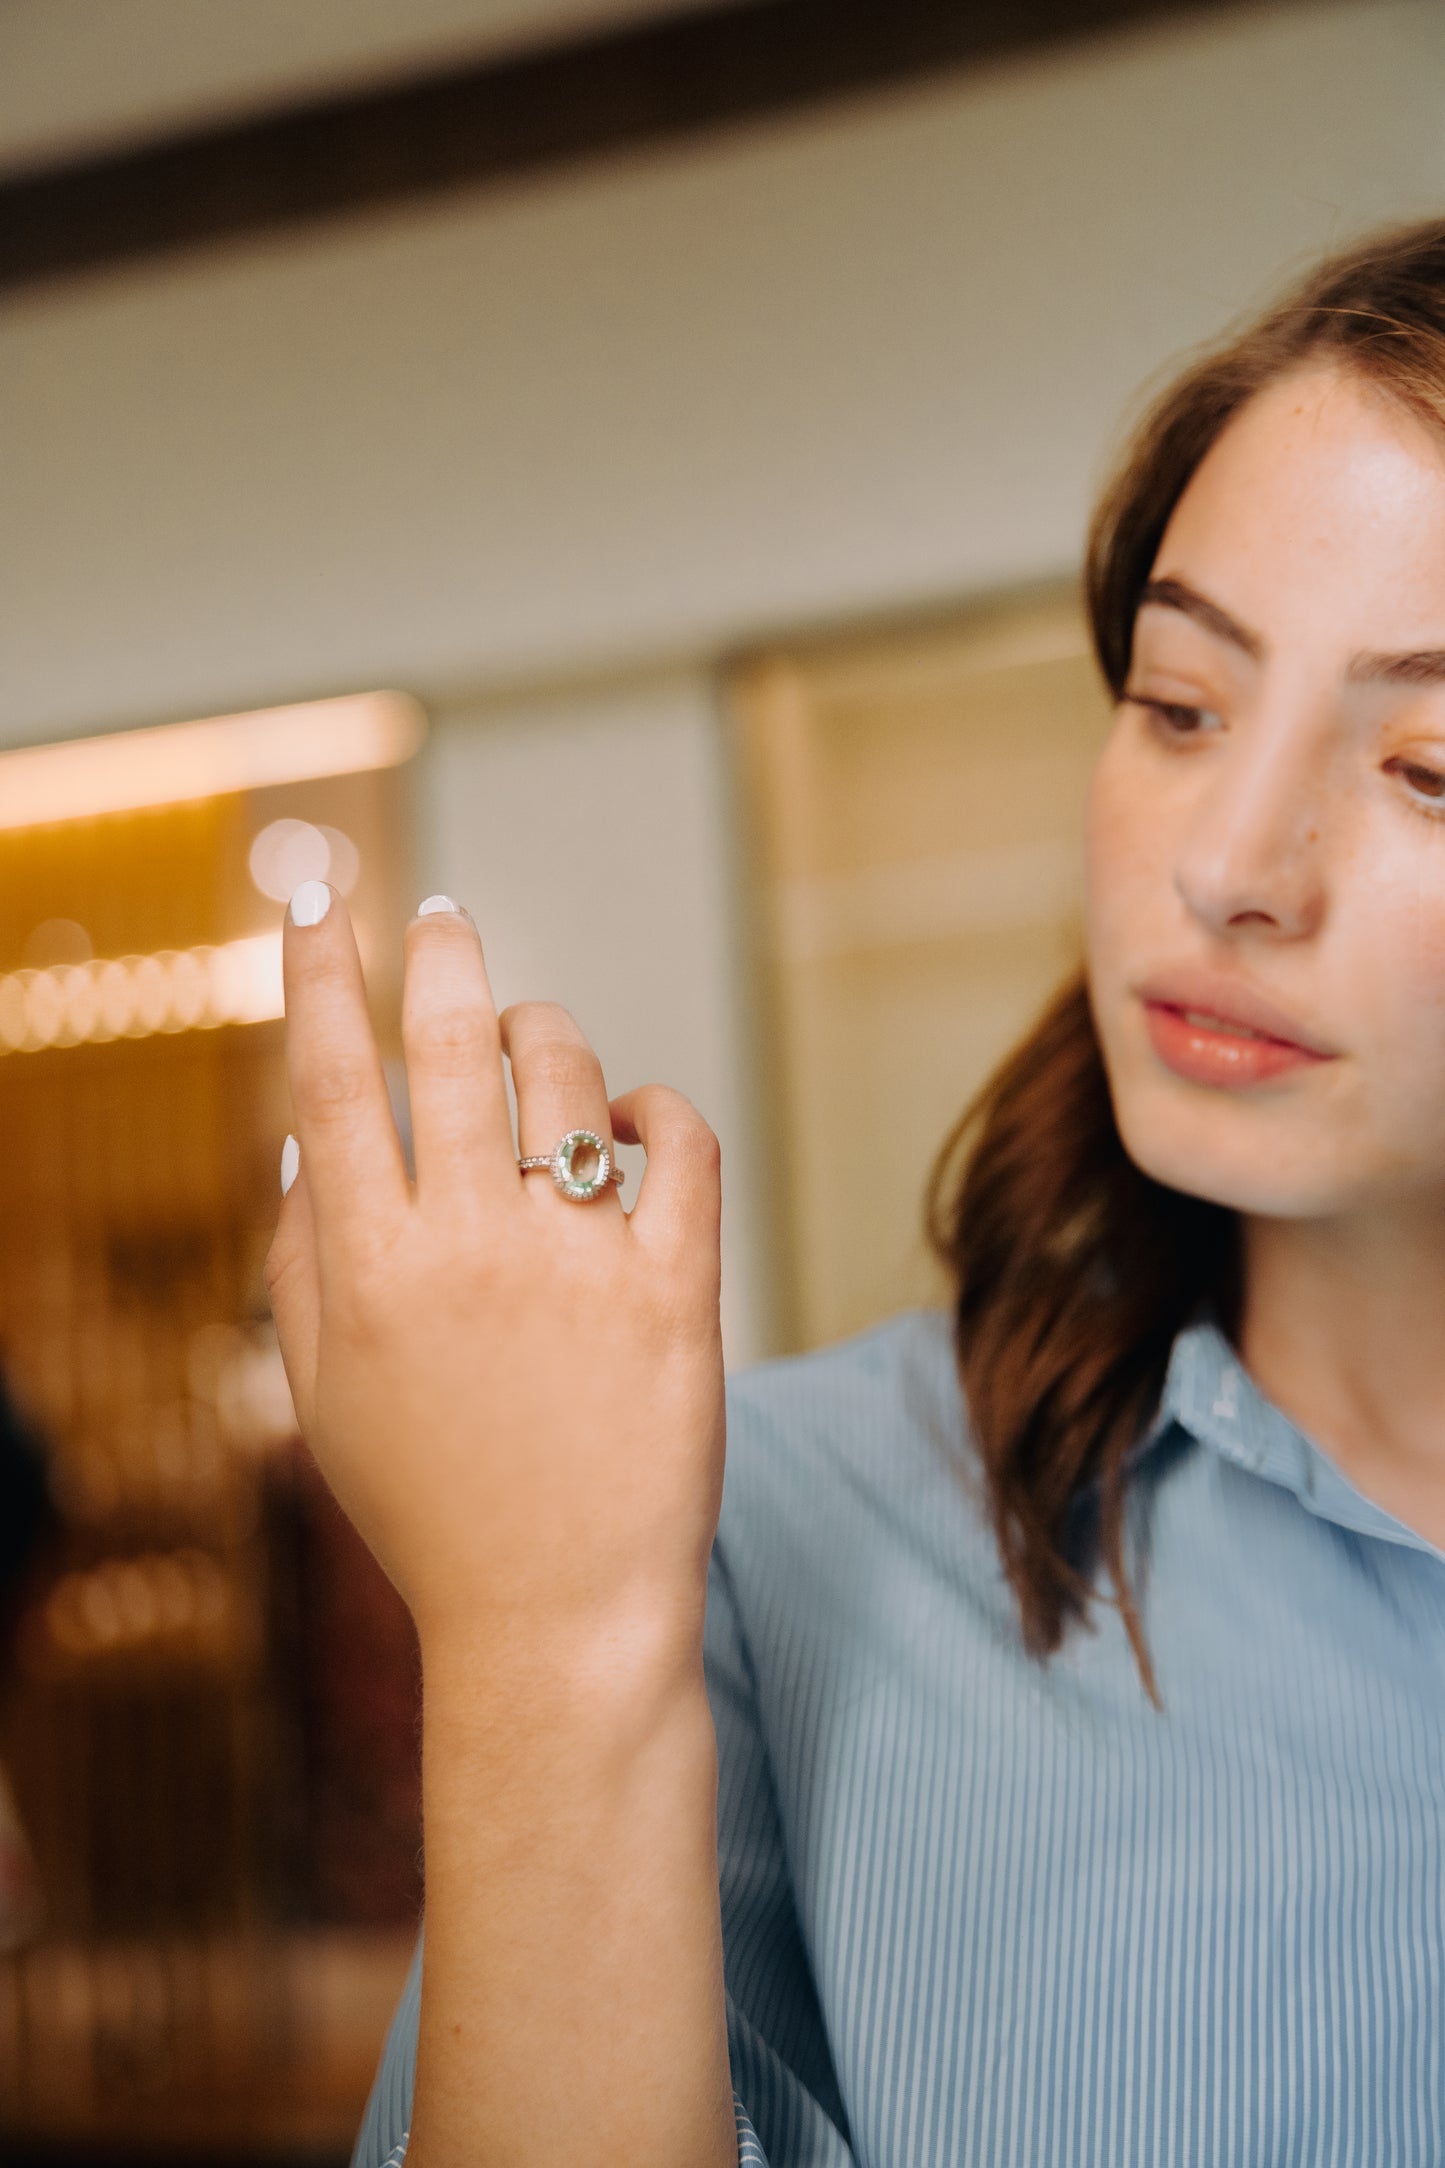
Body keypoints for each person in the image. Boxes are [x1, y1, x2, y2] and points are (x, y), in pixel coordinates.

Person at [267, 214, 1445, 2168]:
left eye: (1431, 769)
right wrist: (548, 1645)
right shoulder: (774, 1539)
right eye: (1177, 704)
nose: (1229, 864)